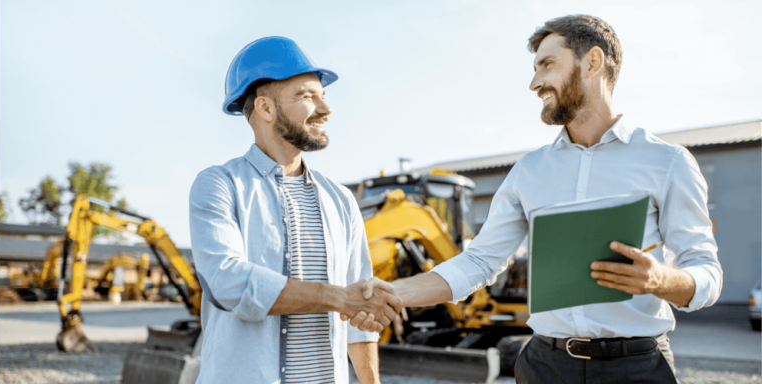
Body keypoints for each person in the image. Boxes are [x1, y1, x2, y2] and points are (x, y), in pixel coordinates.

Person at [355, 15, 722, 383]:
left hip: (636, 368)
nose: (534, 83)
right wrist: (393, 292)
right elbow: (479, 262)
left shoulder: (668, 162)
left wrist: (659, 279)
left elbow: (706, 273)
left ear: (592, 62)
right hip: (545, 366)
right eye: (534, 69)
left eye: (547, 65)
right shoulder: (529, 171)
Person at [190, 36, 401, 384]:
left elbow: (359, 308)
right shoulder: (219, 185)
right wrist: (338, 298)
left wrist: (370, 380)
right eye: (307, 96)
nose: (325, 109)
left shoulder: (341, 200)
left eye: (323, 95)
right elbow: (230, 282)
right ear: (266, 108)